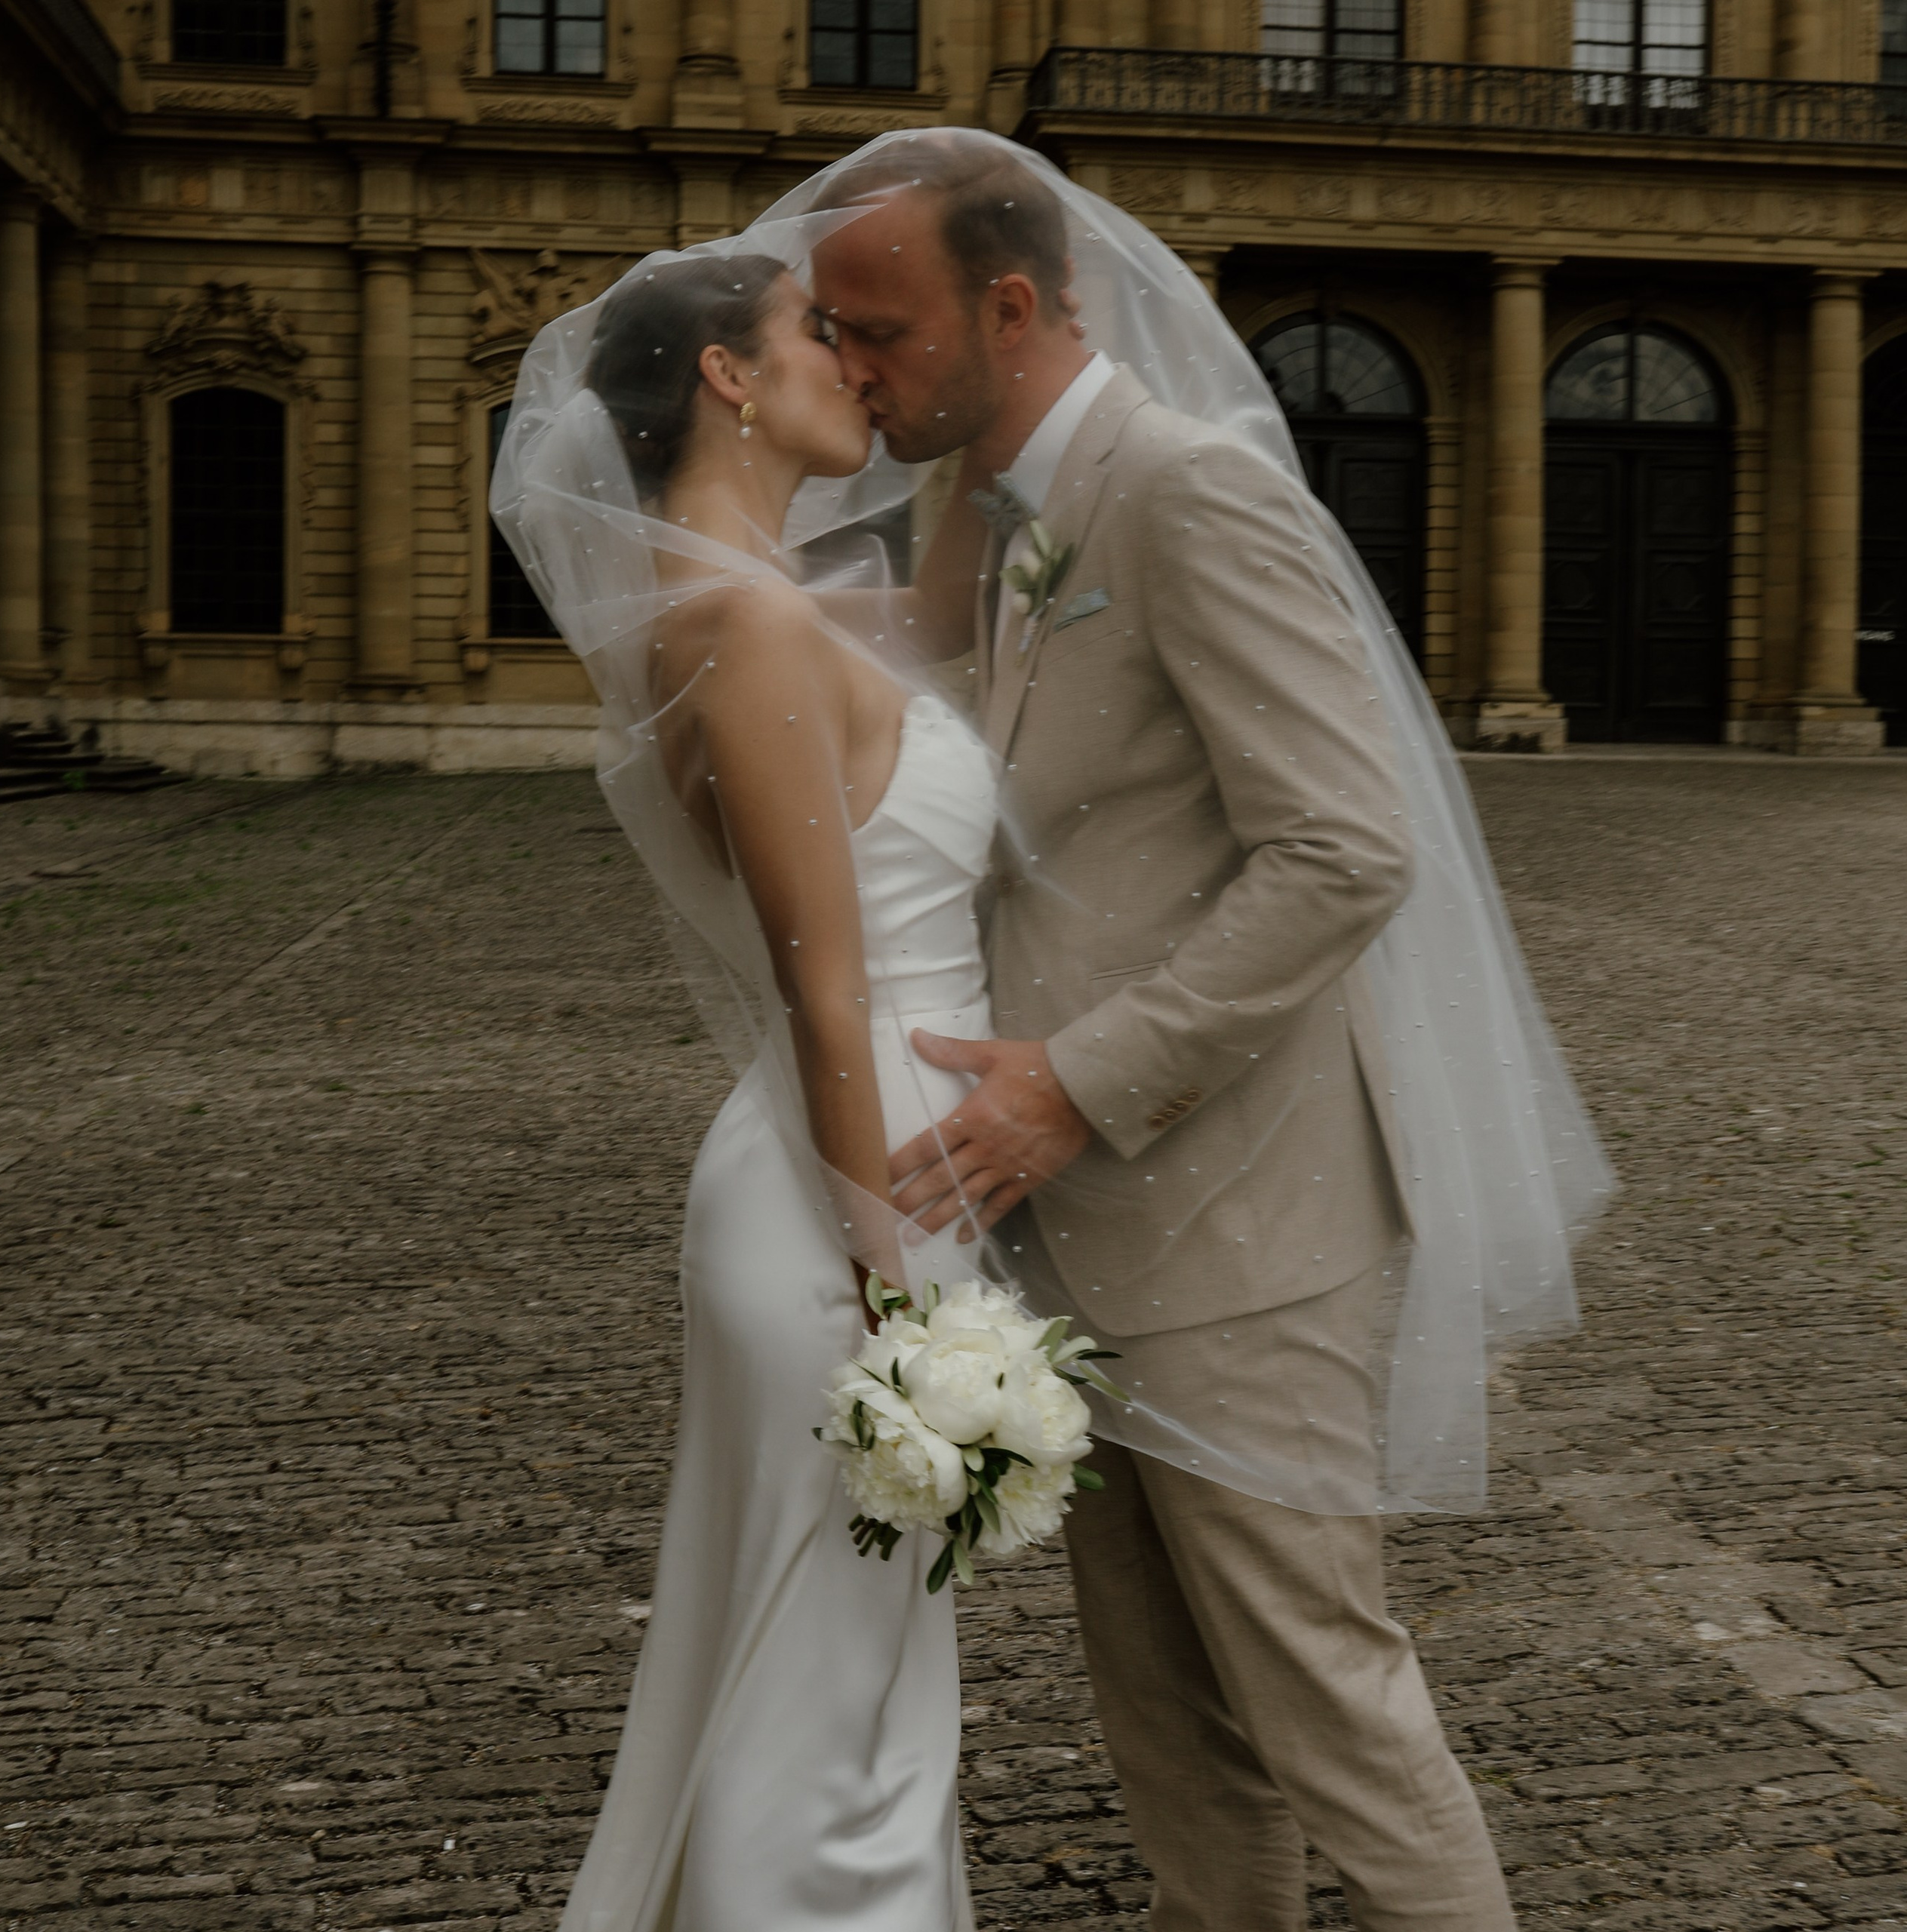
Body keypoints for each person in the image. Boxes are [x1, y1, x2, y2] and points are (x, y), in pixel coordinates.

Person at [805, 136, 1527, 1931]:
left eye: (875, 329)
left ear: (1012, 304)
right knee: (1169, 1727)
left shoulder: (1187, 487)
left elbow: (1343, 844)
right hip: (1083, 1235)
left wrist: (1079, 1078)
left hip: (1244, 1224)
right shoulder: (993, 505)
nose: (849, 364)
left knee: (1328, 1709)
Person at [519, 253, 989, 1931]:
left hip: (848, 1173)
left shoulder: (750, 592)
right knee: (827, 1713)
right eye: (815, 334)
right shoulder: (748, 616)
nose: (850, 367)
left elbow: (957, 630)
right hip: (842, 1203)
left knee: (839, 1679)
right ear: (726, 375)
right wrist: (893, 1300)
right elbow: (822, 986)